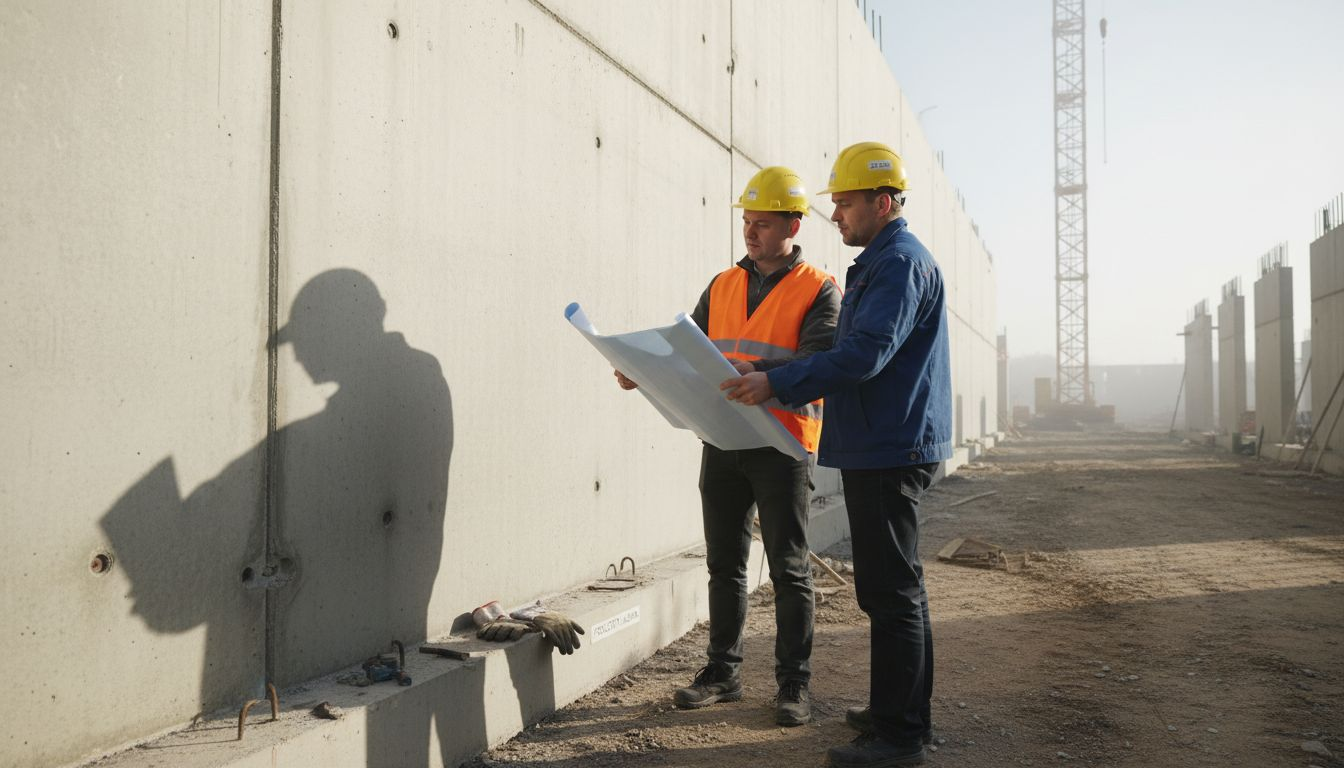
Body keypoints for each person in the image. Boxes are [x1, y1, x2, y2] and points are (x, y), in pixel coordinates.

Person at [720, 142, 952, 767]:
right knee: (896, 589)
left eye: (845, 204)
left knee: (891, 593)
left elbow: (862, 355)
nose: (836, 215)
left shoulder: (898, 264)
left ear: (883, 202)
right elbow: (852, 352)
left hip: (889, 446)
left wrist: (777, 382)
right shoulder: (883, 262)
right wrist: (770, 371)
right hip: (884, 440)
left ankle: (900, 737)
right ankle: (901, 713)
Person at [614, 166, 840, 726]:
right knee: (724, 564)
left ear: (793, 225)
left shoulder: (820, 288)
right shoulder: (721, 285)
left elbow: (820, 362)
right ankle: (723, 672)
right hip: (721, 437)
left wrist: (762, 372)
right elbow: (687, 352)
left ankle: (794, 683)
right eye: (747, 221)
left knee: (789, 568)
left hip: (782, 443)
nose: (751, 231)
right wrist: (644, 371)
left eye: (763, 223)